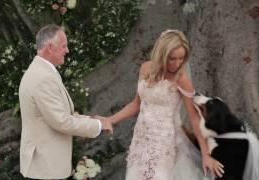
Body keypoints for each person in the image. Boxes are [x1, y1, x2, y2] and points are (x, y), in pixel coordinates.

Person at [95, 29, 224, 180]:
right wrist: (111, 119)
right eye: (172, 58)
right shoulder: (146, 69)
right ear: (161, 54)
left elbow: (194, 117)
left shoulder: (181, 79)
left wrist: (206, 154)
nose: (177, 63)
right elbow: (136, 104)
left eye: (181, 58)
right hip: (140, 139)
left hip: (163, 143)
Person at [18, 24, 112, 180]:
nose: (67, 50)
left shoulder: (43, 71)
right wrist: (99, 126)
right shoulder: (43, 78)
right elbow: (61, 122)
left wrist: (91, 120)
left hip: (46, 165)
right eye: (64, 46)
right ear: (49, 47)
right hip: (45, 167)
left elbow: (61, 115)